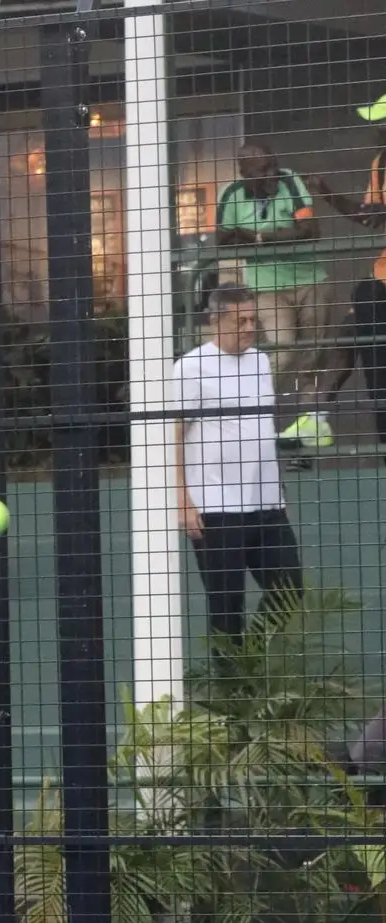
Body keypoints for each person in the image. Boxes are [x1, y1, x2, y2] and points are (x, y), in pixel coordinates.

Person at [173, 284, 303, 645]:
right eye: (240, 321)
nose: (249, 328)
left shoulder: (260, 361)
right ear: (215, 321)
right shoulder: (190, 368)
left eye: (252, 320)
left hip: (266, 504)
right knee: (226, 607)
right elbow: (175, 435)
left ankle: (251, 658)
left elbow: (263, 428)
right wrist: (183, 500)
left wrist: (278, 491)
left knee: (290, 589)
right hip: (216, 507)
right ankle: (232, 678)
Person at [216, 140, 331, 449]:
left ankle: (311, 425)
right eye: (263, 170)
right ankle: (252, 415)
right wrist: (282, 235)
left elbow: (310, 231)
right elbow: (223, 239)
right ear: (245, 173)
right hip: (267, 287)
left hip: (310, 280)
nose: (272, 175)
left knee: (314, 354)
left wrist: (256, 237)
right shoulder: (231, 193)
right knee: (283, 349)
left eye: (273, 166)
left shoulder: (288, 180)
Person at [309, 151, 386, 456]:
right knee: (374, 375)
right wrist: (328, 194)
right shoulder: (381, 162)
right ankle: (314, 419)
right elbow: (369, 214)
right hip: (380, 282)